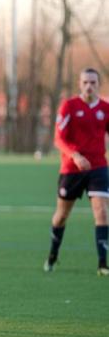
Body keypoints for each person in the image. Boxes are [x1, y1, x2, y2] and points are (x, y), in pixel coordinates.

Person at [44, 67, 109, 275]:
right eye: (85, 82)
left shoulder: (106, 109)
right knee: (62, 216)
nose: (89, 86)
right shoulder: (69, 106)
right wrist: (75, 155)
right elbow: (58, 139)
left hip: (98, 167)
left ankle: (102, 264)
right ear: (79, 84)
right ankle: (53, 255)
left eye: (93, 82)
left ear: (98, 85)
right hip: (71, 169)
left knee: (102, 212)